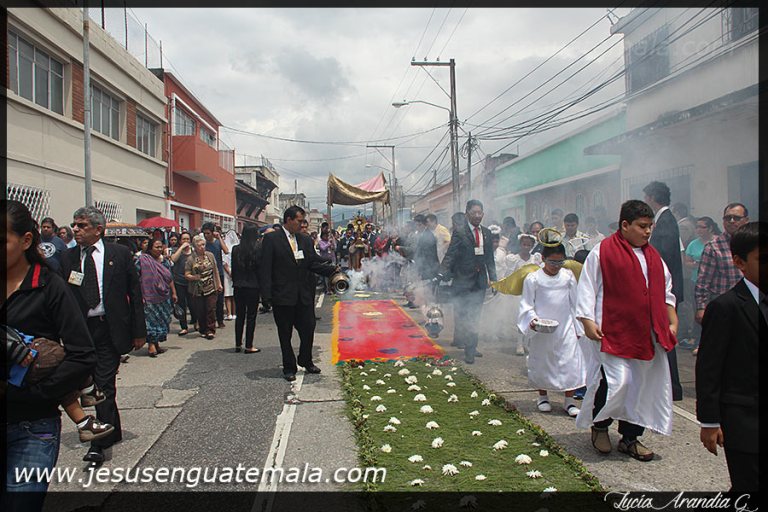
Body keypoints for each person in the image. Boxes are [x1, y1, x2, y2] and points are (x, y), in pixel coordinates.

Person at [3, 200, 99, 512]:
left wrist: (31, 394)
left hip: (31, 426)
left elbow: (82, 355)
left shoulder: (47, 286)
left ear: (26, 240)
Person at [575, 200, 678, 462]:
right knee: (616, 382)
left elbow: (666, 292)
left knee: (641, 387)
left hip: (647, 334)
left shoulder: (654, 257)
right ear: (624, 225)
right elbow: (587, 288)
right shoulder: (602, 252)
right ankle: (600, 427)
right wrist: (587, 321)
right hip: (611, 331)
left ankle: (630, 437)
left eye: (650, 227)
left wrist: (672, 320)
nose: (647, 232)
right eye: (642, 226)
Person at [60, 206, 146, 466]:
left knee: (102, 387)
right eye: (74, 225)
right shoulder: (68, 258)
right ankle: (113, 428)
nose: (76, 229)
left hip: (110, 328)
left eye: (82, 225)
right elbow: (60, 298)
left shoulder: (119, 254)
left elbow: (135, 294)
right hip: (81, 332)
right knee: (90, 384)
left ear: (98, 229)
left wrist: (139, 331)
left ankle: (99, 443)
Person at [695, 222, 762, 492]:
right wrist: (710, 421)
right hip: (744, 420)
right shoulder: (726, 307)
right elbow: (709, 368)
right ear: (740, 262)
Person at [259, 206, 339, 381]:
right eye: (299, 220)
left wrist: (331, 270)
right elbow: (265, 268)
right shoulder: (272, 239)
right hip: (283, 295)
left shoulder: (304, 240)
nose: (302, 224)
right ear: (288, 220)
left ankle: (306, 359)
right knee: (285, 333)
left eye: (303, 221)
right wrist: (266, 295)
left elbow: (311, 264)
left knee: (308, 328)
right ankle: (289, 367)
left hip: (303, 294)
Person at [518, 243, 585, 417]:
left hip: (565, 326)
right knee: (542, 361)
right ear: (543, 259)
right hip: (543, 327)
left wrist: (579, 328)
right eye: (552, 262)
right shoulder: (533, 279)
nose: (556, 266)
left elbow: (575, 302)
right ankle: (543, 396)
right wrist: (532, 320)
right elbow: (526, 304)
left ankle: (569, 401)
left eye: (560, 262)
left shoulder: (568, 277)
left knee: (569, 362)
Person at [437, 199, 497, 365]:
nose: (478, 216)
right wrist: (442, 273)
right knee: (464, 314)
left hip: (479, 281)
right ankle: (467, 345)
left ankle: (471, 347)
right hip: (462, 280)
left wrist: (494, 278)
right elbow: (451, 254)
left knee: (475, 315)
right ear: (467, 214)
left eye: (480, 213)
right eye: (474, 213)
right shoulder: (460, 232)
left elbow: (490, 258)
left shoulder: (486, 233)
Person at [643, 181, 685, 402]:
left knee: (666, 336)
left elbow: (662, 257)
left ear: (651, 197)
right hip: (664, 289)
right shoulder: (663, 220)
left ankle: (672, 386)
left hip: (666, 290)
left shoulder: (666, 221)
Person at [694, 203, 750, 326]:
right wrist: (701, 308)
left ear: (746, 220)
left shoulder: (752, 244)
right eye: (727, 218)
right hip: (723, 306)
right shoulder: (714, 247)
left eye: (736, 218)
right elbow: (703, 280)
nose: (731, 221)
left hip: (749, 305)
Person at [682, 216, 720, 354]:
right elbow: (687, 262)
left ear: (710, 228)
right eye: (697, 227)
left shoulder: (718, 241)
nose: (698, 230)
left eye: (702, 227)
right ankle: (699, 342)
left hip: (716, 284)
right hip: (696, 281)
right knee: (699, 312)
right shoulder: (694, 244)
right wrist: (695, 264)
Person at [137, 239, 177, 357]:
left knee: (162, 319)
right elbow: (136, 277)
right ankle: (151, 345)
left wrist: (174, 293)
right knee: (150, 321)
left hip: (164, 295)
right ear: (150, 248)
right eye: (156, 247)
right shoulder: (143, 260)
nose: (159, 249)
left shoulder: (165, 261)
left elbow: (169, 278)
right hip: (149, 296)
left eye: (161, 247)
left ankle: (157, 343)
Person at [185, 234, 223, 340]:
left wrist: (219, 284)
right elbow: (186, 274)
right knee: (201, 310)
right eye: (200, 245)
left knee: (211, 308)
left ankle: (210, 330)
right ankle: (203, 328)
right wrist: (194, 277)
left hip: (210, 286)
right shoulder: (191, 259)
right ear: (195, 247)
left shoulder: (210, 255)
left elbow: (215, 270)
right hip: (198, 288)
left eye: (203, 245)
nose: (202, 247)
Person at [231, 226, 261, 353]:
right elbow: (260, 269)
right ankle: (249, 345)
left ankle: (238, 343)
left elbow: (234, 268)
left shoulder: (235, 249)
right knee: (251, 316)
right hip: (253, 286)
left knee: (240, 316)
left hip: (238, 285)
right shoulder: (257, 249)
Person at [201, 222, 229, 329]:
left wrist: (220, 238)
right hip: (207, 274)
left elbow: (226, 251)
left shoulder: (217, 242)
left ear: (213, 233)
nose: (206, 236)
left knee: (219, 299)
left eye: (208, 233)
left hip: (219, 273)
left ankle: (220, 320)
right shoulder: (203, 245)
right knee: (208, 300)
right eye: (204, 234)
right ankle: (209, 321)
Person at [170, 232, 196, 336]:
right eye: (183, 239)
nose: (186, 241)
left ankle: (195, 321)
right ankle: (183, 326)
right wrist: (181, 248)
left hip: (191, 282)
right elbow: (173, 259)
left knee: (193, 304)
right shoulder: (177, 251)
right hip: (179, 281)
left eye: (187, 239)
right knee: (181, 305)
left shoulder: (193, 251)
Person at [412, 214, 440, 281]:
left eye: (416, 225)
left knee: (429, 289)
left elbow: (427, 255)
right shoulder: (423, 234)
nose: (416, 228)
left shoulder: (428, 235)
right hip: (426, 268)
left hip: (429, 268)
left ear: (421, 224)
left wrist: (420, 269)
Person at [222, 229, 240, 321]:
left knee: (228, 295)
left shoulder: (226, 247)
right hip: (235, 273)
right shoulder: (237, 248)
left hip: (227, 273)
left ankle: (229, 313)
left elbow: (224, 262)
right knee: (233, 295)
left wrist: (229, 272)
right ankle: (234, 313)